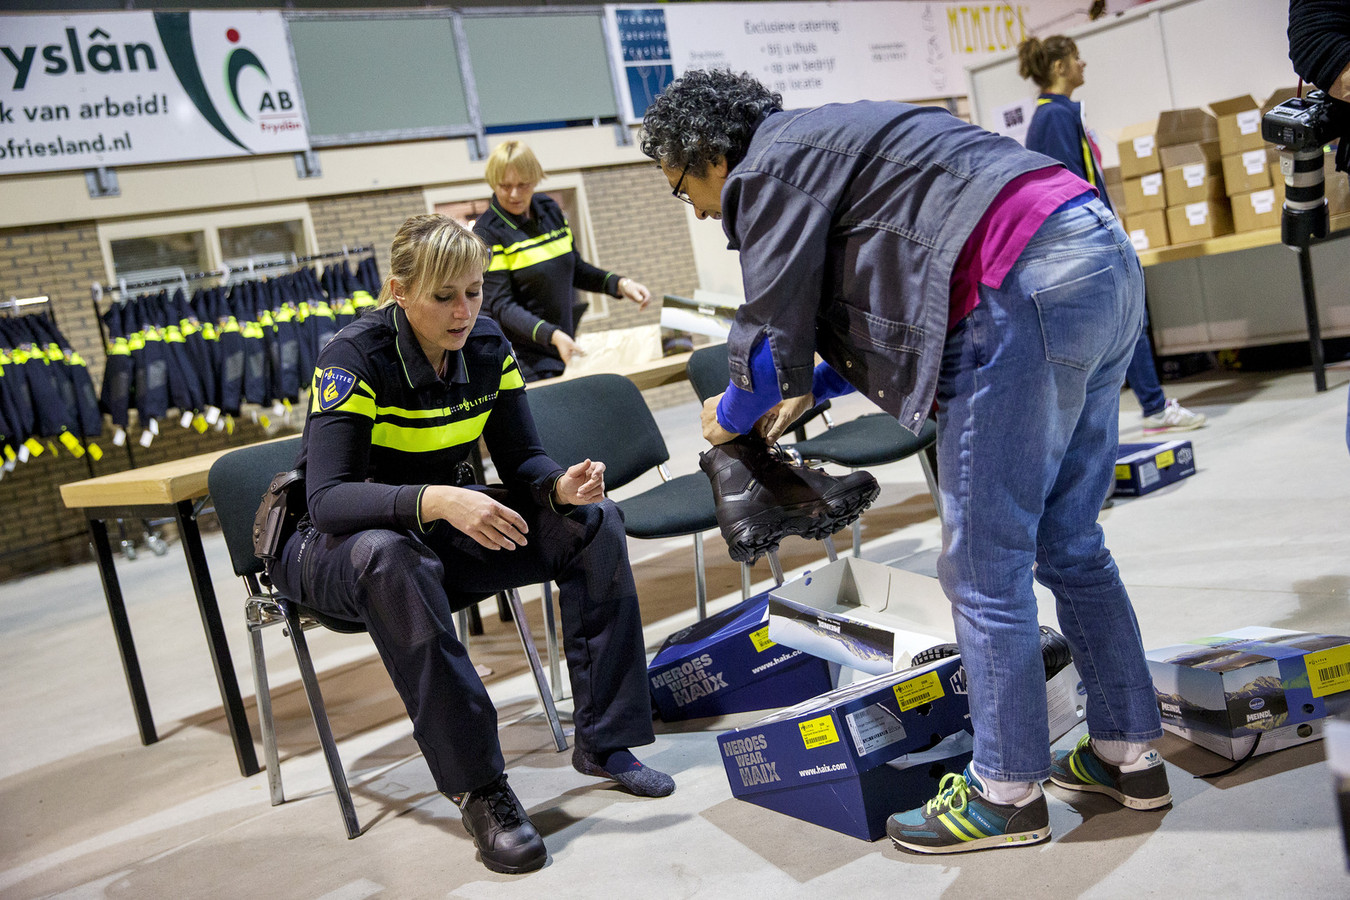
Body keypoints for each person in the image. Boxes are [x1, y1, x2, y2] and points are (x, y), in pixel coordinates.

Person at [641, 69, 1170, 854]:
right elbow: (882, 293)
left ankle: (1006, 793)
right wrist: (814, 383)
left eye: (685, 191)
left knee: (985, 568)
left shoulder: (764, 172)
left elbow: (766, 326)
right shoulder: (837, 136)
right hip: (1100, 261)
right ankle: (1130, 750)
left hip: (1017, 289)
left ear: (708, 155)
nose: (704, 210)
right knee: (1070, 540)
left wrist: (729, 419)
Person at [268, 214, 674, 875]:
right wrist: (435, 499)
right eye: (443, 296)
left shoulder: (487, 343)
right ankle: (482, 790)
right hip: (334, 546)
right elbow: (329, 499)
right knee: (391, 557)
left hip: (433, 527)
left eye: (475, 291)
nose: (464, 311)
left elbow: (524, 462)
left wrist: (558, 491)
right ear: (399, 291)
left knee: (596, 524)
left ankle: (608, 741)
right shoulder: (353, 356)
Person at [1018, 34, 1207, 435]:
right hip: (1087, 242)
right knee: (1128, 318)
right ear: (1059, 67)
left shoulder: (1060, 113)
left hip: (1092, 237)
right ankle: (1153, 407)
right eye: (1076, 58)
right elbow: (1068, 187)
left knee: (1130, 319)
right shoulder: (1052, 117)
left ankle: (1151, 405)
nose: (1083, 65)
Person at [473, 140, 653, 382]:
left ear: (536, 179)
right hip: (524, 358)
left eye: (523, 185)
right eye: (504, 186)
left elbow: (575, 269)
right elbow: (502, 306)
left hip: (562, 344)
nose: (514, 194)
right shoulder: (488, 231)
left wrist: (619, 284)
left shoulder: (549, 209)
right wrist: (552, 334)